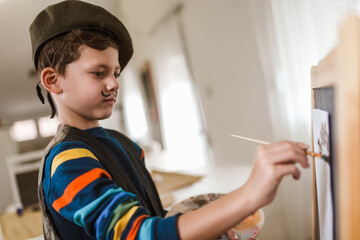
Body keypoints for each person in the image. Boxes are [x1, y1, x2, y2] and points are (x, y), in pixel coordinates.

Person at [29, 1, 310, 239]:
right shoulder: (66, 163)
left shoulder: (124, 143)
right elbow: (141, 233)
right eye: (98, 72)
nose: (114, 83)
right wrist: (250, 194)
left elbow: (149, 217)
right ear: (53, 80)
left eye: (115, 73)